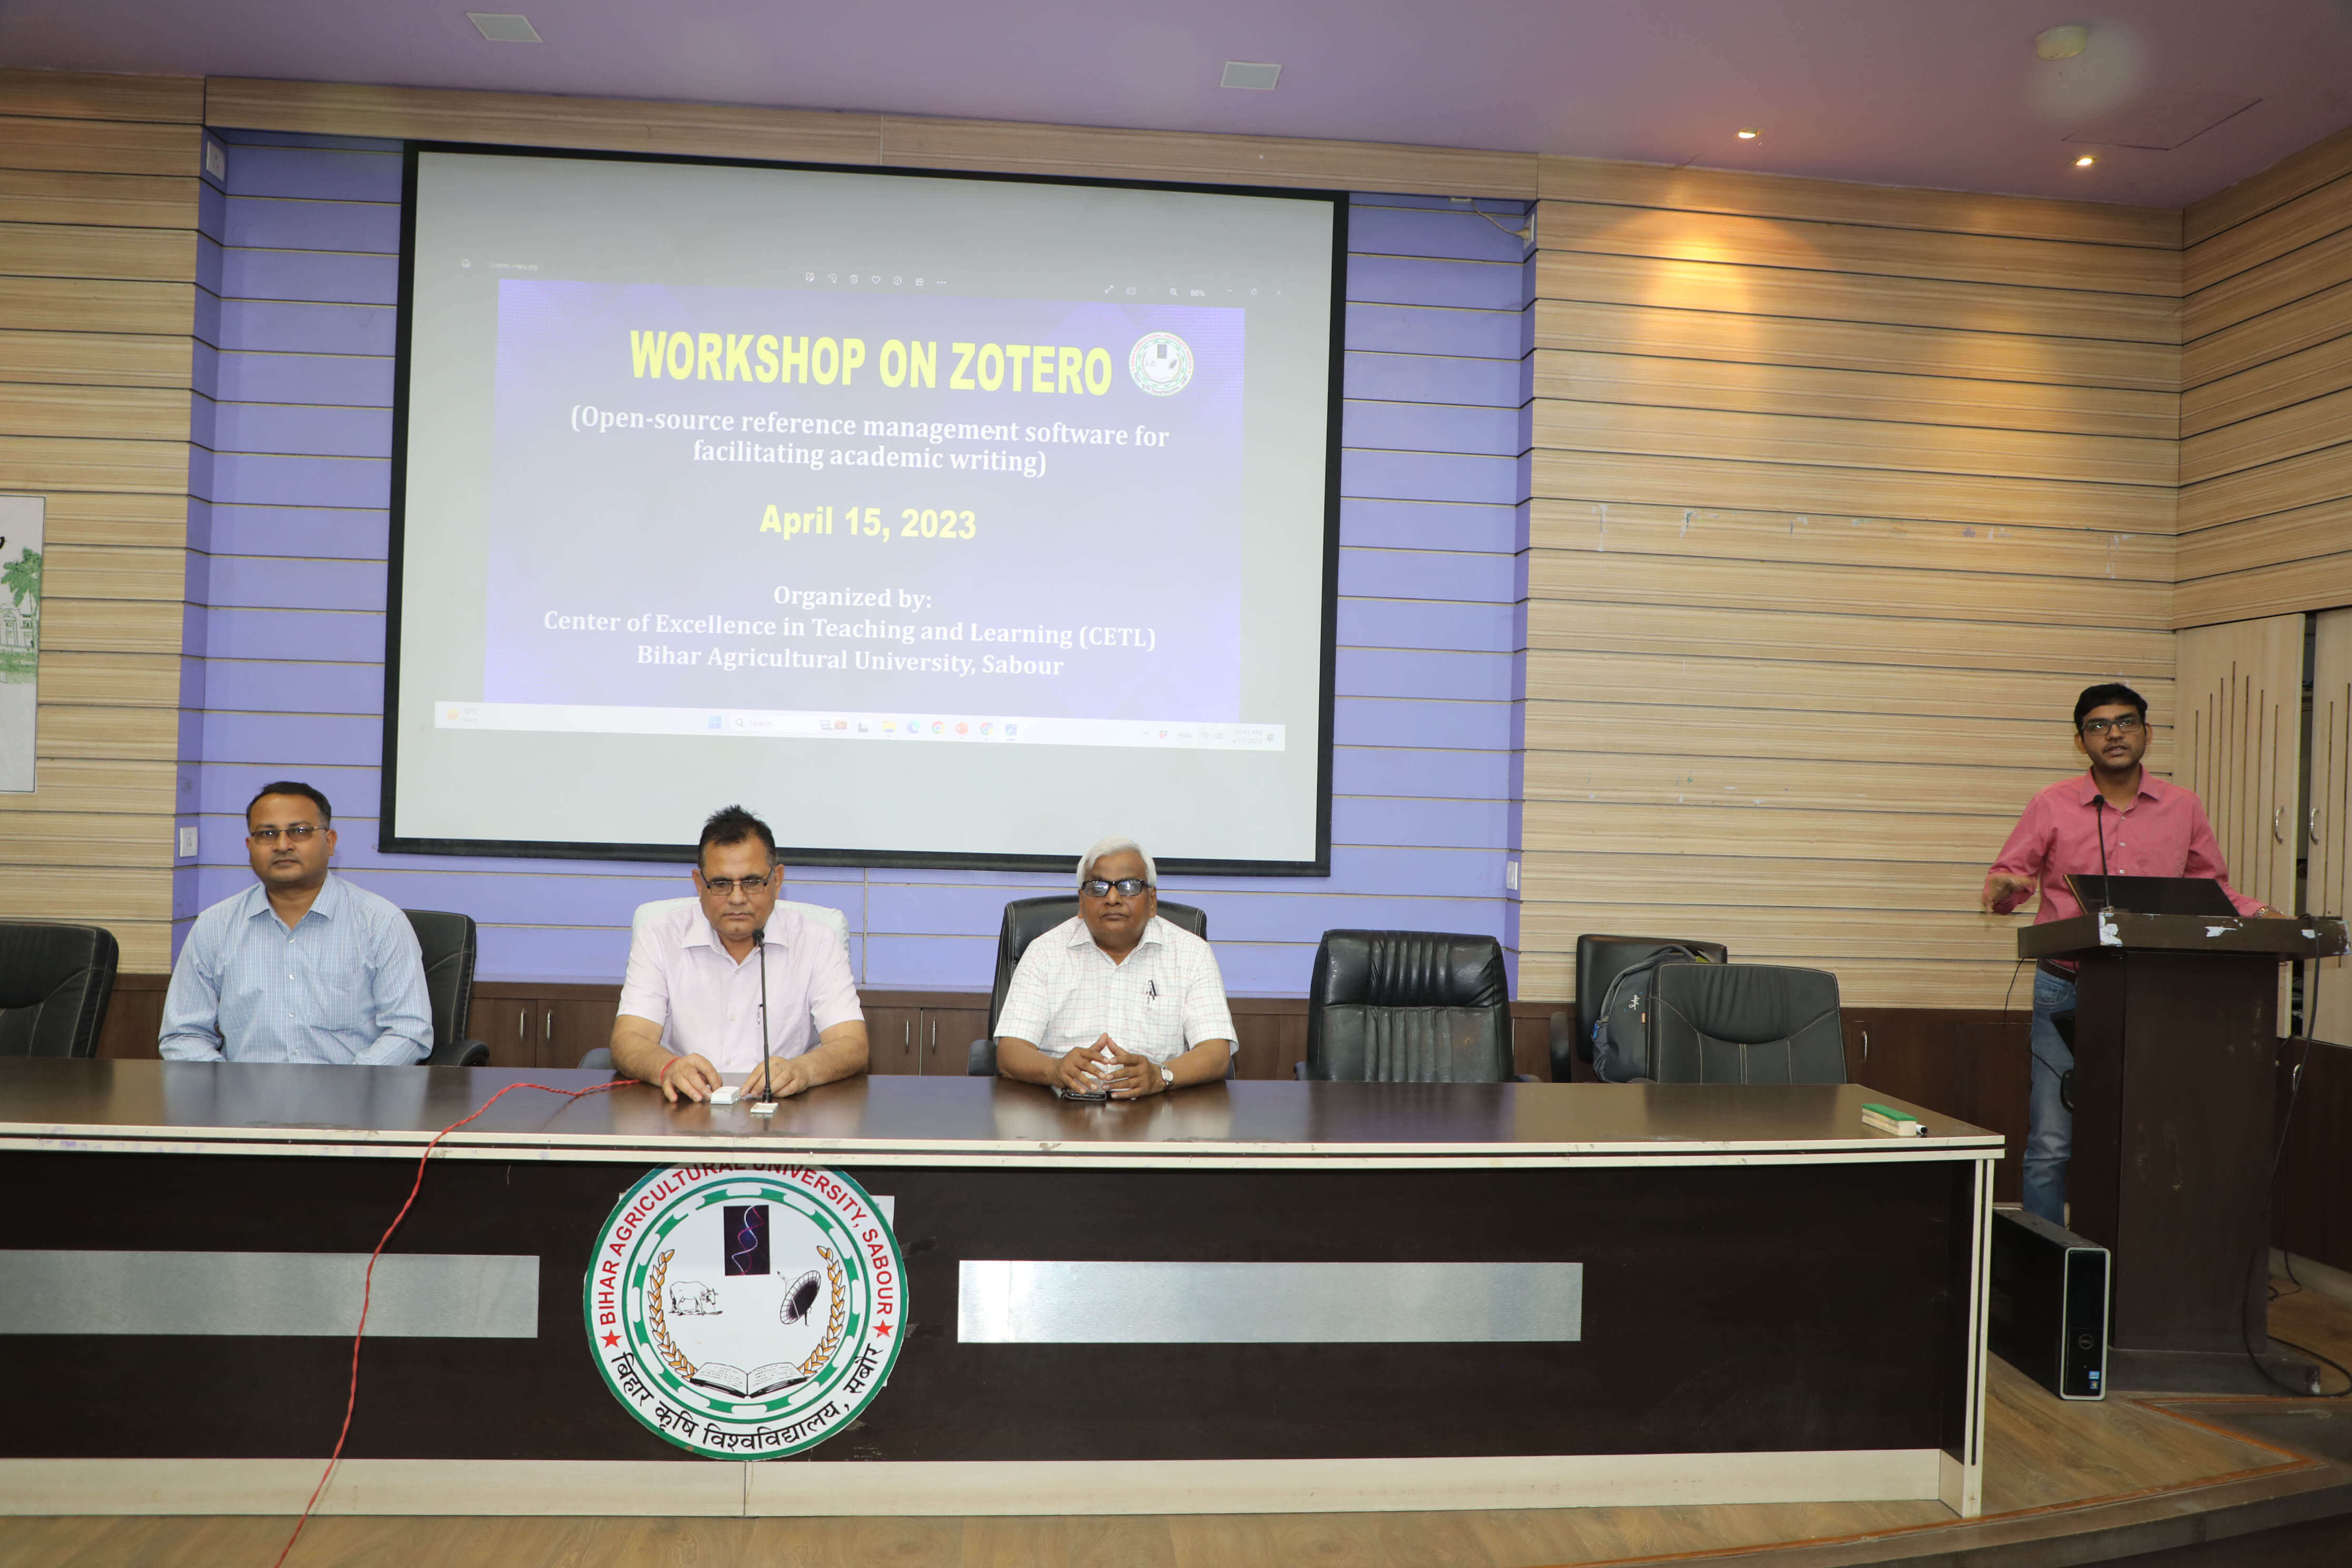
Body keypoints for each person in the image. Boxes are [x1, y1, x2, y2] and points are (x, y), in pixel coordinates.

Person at [1982, 682, 2284, 1224]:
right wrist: (2003, 890)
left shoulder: (2183, 806)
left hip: (2153, 993)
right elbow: (2009, 881)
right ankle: (2045, 1258)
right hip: (2066, 987)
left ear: (2146, 732)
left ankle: (2134, 1256)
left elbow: (2209, 891)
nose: (2114, 734)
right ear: (2081, 741)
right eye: (2098, 726)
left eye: (2126, 722)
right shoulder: (2051, 804)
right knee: (2052, 1139)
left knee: (2147, 1133)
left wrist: (2260, 914)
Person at [159, 781, 433, 1064]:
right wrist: (226, 1086)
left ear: (330, 842)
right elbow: (184, 1035)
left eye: (300, 831)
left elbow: (409, 1030)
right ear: (250, 847)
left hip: (353, 1089)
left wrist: (350, 1085)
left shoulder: (381, 923)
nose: (282, 845)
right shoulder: (214, 926)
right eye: (267, 834)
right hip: (244, 1091)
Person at [610, 805, 867, 1102]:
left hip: (783, 1109)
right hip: (685, 1105)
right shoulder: (659, 937)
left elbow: (852, 1044)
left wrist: (804, 1070)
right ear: (699, 885)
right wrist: (667, 1067)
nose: (737, 898)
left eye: (752, 882)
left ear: (777, 880)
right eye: (721, 884)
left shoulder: (817, 941)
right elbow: (629, 1039)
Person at [995, 835, 1236, 1098]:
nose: (1112, 898)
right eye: (1098, 886)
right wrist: (1055, 1070)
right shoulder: (1044, 953)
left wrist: (1160, 1075)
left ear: (1152, 901)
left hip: (1159, 1107)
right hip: (1061, 1106)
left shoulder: (1192, 954)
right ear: (1081, 902)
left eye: (1129, 886)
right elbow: (1010, 1051)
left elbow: (1216, 1053)